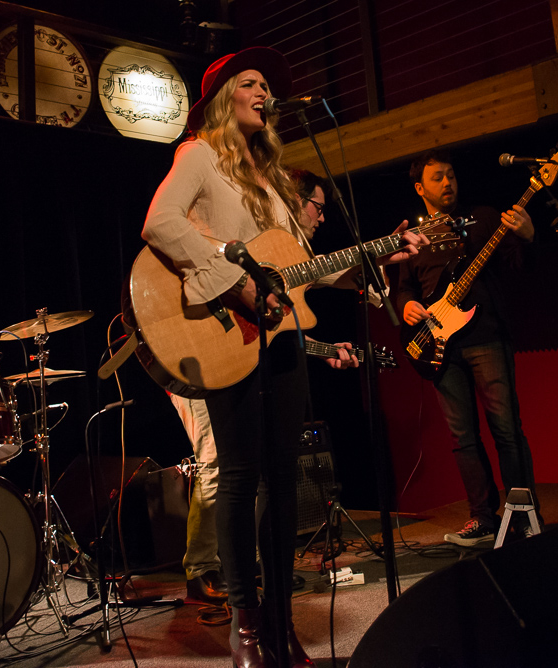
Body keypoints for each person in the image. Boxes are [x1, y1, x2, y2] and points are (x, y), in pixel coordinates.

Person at [142, 47, 424, 668]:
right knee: (240, 481)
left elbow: (300, 273)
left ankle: (277, 618)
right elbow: (160, 223)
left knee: (285, 482)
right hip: (228, 333)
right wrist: (235, 284)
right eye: (251, 82)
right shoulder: (198, 156)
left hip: (283, 335)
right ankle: (246, 623)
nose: (264, 91)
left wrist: (383, 254)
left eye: (267, 85)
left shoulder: (271, 180)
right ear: (223, 97)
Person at [174, 168, 357, 607]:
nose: (321, 217)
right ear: (295, 202)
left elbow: (275, 325)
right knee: (218, 461)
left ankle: (248, 568)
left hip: (235, 353)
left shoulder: (292, 252)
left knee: (254, 467)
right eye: (317, 206)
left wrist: (324, 345)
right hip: (195, 348)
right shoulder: (242, 221)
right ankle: (200, 571)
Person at [396, 150, 540, 547]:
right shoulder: (415, 236)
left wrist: (527, 236)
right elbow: (404, 286)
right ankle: (483, 518)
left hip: (487, 336)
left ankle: (524, 516)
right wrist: (405, 304)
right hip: (439, 344)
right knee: (463, 438)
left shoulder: (485, 219)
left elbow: (520, 266)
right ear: (420, 188)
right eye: (438, 177)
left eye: (452, 175)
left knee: (507, 429)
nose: (448, 183)